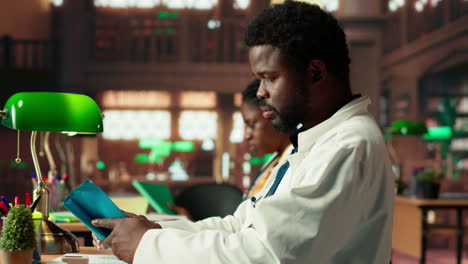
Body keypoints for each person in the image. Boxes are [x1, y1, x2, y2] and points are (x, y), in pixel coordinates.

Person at [92, 2, 395, 263]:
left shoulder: (349, 145)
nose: (260, 92)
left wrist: (147, 245)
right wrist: (156, 232)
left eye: (270, 78)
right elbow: (241, 226)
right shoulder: (316, 142)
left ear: (315, 72)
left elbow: (264, 254)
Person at [168, 79, 292, 218]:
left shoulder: (293, 167)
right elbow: (241, 225)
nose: (246, 135)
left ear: (274, 115)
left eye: (251, 125)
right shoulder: (274, 163)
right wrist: (189, 224)